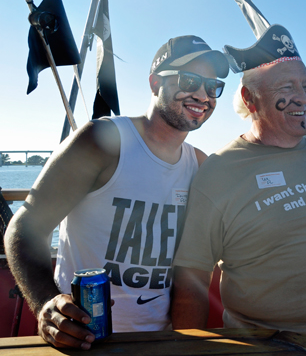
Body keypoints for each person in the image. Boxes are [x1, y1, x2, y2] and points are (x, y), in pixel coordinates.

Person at [4, 35, 229, 349]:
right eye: (190, 80)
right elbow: (25, 227)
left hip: (157, 342)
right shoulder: (103, 141)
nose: (203, 95)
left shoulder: (200, 165)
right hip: (86, 340)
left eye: (212, 86)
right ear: (155, 84)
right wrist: (46, 303)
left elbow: (193, 267)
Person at [171, 24, 306, 355]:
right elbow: (191, 279)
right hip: (277, 347)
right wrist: (185, 350)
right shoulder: (220, 172)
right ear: (250, 100)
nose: (303, 97)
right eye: (287, 86)